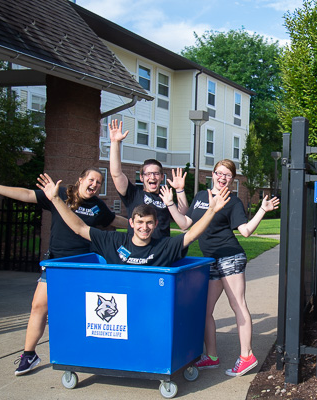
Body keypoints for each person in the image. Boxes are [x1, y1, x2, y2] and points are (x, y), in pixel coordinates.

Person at [0, 169, 126, 376]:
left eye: (99, 182)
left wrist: (138, 222)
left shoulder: (98, 206)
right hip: (56, 263)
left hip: (83, 264)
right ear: (80, 179)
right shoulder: (60, 194)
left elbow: (114, 220)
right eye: (92, 180)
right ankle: (29, 354)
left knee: (80, 312)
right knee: (38, 306)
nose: (95, 185)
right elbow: (27, 194)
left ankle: (87, 351)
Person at [164, 159, 280, 377]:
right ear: (213, 174)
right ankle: (212, 357)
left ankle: (247, 356)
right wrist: (172, 202)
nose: (222, 177)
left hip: (230, 257)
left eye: (227, 175)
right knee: (205, 311)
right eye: (219, 173)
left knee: (238, 305)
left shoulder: (233, 201)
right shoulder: (200, 196)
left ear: (232, 179)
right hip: (211, 260)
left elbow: (245, 231)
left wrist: (262, 210)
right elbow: (184, 224)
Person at [37, 173, 230, 265]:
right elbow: (80, 228)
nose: (144, 227)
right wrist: (55, 199)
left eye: (148, 223)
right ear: (131, 223)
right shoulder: (114, 241)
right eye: (139, 222)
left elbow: (192, 234)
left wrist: (211, 211)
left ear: (155, 225)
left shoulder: (163, 246)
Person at [108, 119, 188, 239]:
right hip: (138, 249)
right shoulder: (133, 194)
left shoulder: (165, 197)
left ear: (162, 177)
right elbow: (116, 174)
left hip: (161, 249)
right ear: (141, 177)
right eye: (148, 174)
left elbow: (183, 218)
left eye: (156, 174)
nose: (152, 177)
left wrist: (180, 191)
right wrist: (115, 143)